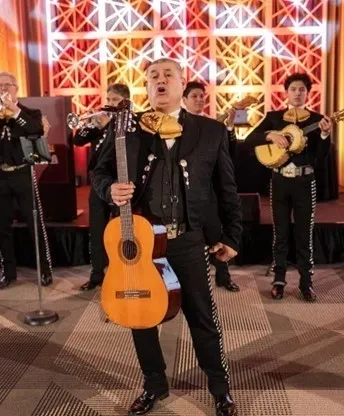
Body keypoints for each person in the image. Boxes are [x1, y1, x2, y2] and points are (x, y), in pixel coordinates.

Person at [92, 58, 241, 416]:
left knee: (202, 318)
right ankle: (154, 385)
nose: (160, 81)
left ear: (181, 82)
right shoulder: (126, 129)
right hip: (139, 243)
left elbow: (227, 189)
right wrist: (110, 189)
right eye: (152, 76)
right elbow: (100, 171)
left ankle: (219, 388)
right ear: (146, 86)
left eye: (167, 75)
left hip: (188, 240)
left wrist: (232, 235)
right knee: (141, 316)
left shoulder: (210, 131)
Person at [245, 73, 331, 301]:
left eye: (302, 89)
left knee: (305, 234)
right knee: (280, 232)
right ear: (286, 92)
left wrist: (323, 135)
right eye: (293, 89)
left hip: (305, 181)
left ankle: (306, 282)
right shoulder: (274, 117)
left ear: (308, 93)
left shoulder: (317, 118)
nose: (297, 93)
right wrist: (271, 135)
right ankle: (279, 279)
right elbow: (251, 139)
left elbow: (320, 159)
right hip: (280, 180)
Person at [0, 71, 52, 289]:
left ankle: (44, 269)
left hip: (22, 172)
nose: (4, 89)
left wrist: (14, 111)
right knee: (2, 226)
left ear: (16, 88)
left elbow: (35, 129)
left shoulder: (29, 112)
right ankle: (9, 272)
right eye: (0, 85)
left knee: (34, 223)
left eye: (8, 85)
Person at [182, 81, 240, 292]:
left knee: (215, 233)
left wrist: (231, 127)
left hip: (210, 191)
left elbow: (229, 157)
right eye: (194, 96)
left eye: (201, 96)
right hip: (184, 195)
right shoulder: (175, 126)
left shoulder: (214, 127)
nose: (199, 100)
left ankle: (223, 277)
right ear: (184, 100)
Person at [73, 83, 130, 291]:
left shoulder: (128, 123)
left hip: (121, 182)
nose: (110, 104)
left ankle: (121, 272)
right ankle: (97, 274)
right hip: (99, 183)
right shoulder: (100, 122)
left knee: (121, 230)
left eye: (115, 100)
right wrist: (92, 125)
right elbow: (78, 140)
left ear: (125, 102)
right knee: (96, 228)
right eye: (109, 99)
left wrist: (107, 125)